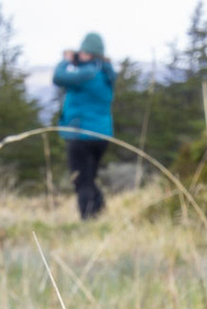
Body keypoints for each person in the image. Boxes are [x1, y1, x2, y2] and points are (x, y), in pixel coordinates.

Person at [53, 33, 116, 220]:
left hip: (81, 134)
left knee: (81, 180)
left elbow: (59, 78)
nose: (80, 54)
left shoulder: (87, 74)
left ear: (92, 54)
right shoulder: (106, 73)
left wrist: (65, 61)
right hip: (102, 136)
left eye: (84, 52)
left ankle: (88, 219)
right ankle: (99, 209)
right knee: (89, 178)